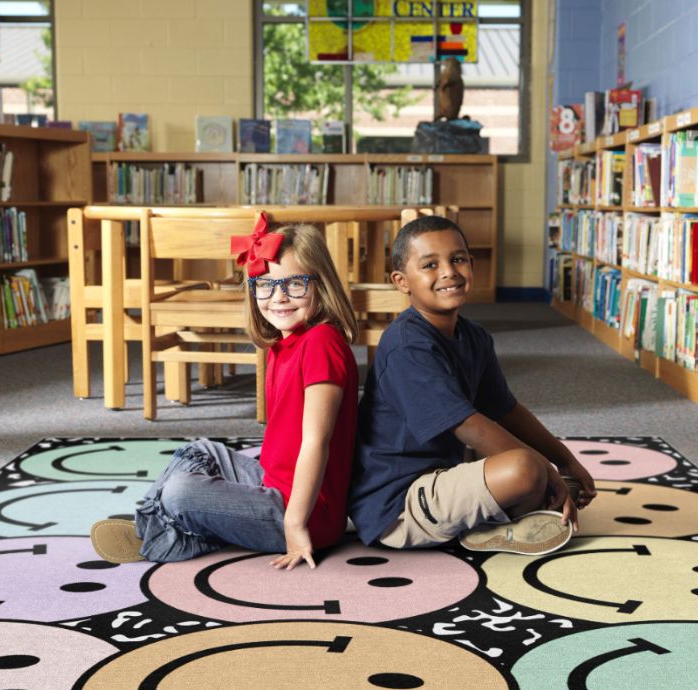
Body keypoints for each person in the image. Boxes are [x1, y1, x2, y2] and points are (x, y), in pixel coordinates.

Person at [91, 213, 359, 570]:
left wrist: (295, 524)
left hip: (305, 513)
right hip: (273, 481)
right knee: (200, 451)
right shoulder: (283, 345)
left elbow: (316, 442)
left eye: (295, 284)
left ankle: (166, 533)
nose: (279, 297)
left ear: (320, 285)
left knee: (181, 492)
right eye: (265, 285)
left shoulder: (322, 342)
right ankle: (161, 526)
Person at [348, 214, 596, 556]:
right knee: (525, 469)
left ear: (472, 265)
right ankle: (488, 526)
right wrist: (546, 471)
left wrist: (565, 461)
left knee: (540, 476)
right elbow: (467, 425)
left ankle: (501, 515)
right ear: (402, 282)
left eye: (458, 259)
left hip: (445, 472)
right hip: (398, 504)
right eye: (430, 265)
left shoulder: (474, 336)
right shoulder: (406, 345)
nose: (448, 272)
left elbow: (507, 410)